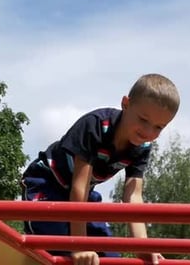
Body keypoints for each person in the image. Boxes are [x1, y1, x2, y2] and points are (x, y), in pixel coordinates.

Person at [21, 73, 180, 265]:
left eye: (158, 127)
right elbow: (79, 186)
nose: (148, 132)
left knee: (109, 256)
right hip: (48, 185)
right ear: (126, 104)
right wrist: (79, 245)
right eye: (143, 120)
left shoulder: (141, 147)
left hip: (84, 197)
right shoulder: (96, 126)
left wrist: (142, 245)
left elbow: (133, 196)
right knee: (61, 246)